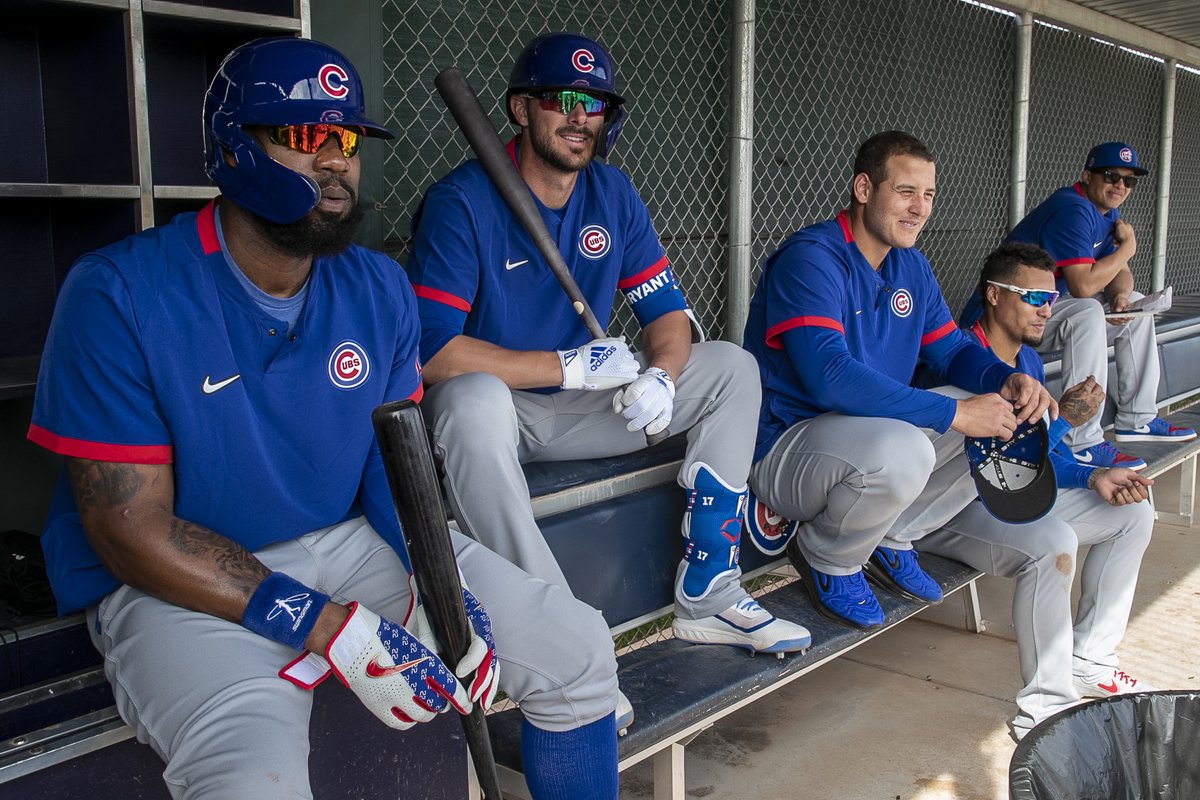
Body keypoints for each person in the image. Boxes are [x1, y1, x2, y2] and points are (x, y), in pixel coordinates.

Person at [27, 37, 619, 800]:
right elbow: (129, 532)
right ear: (234, 148)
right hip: (179, 579)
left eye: (347, 140)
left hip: (351, 539)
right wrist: (323, 624)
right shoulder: (118, 290)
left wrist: (439, 586)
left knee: (577, 649)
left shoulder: (376, 285)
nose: (335, 161)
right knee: (253, 781)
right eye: (306, 136)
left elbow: (391, 471)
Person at [405, 32, 811, 658]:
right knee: (470, 400)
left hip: (587, 403)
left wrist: (663, 376)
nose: (579, 117)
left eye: (593, 103)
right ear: (520, 109)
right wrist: (562, 366)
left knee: (731, 367)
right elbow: (431, 352)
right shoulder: (461, 201)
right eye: (562, 99)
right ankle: (554, 637)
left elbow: (667, 315)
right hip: (500, 414)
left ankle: (710, 592)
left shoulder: (612, 193)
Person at [741, 131, 1055, 630]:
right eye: (906, 191)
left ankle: (891, 536)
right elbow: (829, 377)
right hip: (788, 448)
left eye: (928, 195)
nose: (919, 208)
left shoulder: (910, 265)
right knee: (908, 448)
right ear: (864, 189)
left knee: (1002, 413)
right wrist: (954, 413)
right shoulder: (812, 257)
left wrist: (1006, 378)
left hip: (865, 439)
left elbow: (952, 351)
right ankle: (829, 556)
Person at [911, 242, 1156, 741]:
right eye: (1034, 297)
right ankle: (1044, 709)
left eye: (1052, 298)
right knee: (1054, 546)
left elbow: (1033, 463)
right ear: (993, 295)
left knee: (1132, 514)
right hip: (942, 510)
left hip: (1002, 495)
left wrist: (1093, 477)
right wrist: (1064, 420)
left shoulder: (1026, 360)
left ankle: (1090, 658)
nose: (1047, 309)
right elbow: (996, 461)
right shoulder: (957, 359)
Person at [960, 142, 1195, 470]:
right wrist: (1128, 248)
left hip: (1044, 311)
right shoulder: (1073, 210)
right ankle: (1082, 440)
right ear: (1087, 176)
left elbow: (1119, 273)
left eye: (1129, 181)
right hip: (1003, 319)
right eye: (1111, 176)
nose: (1120, 186)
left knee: (1136, 306)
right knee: (1088, 310)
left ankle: (1137, 419)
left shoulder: (1106, 213)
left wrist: (1120, 298)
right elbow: (1082, 286)